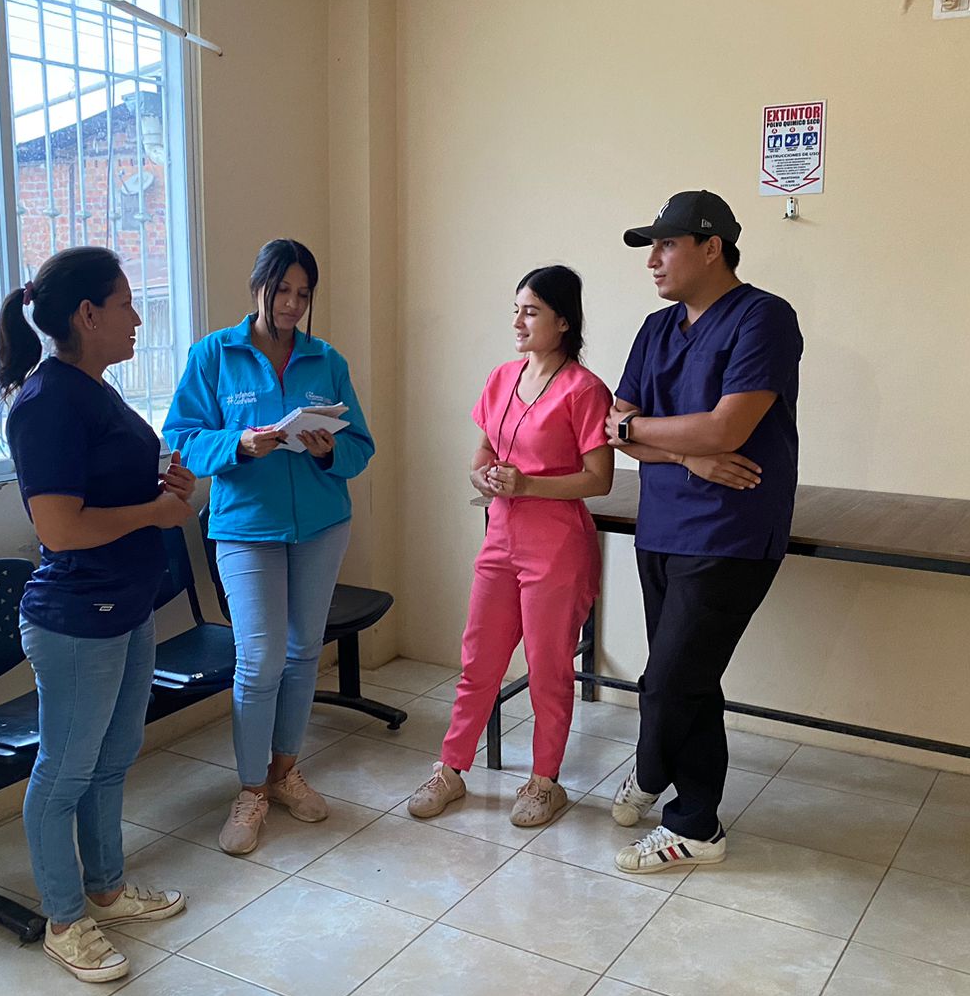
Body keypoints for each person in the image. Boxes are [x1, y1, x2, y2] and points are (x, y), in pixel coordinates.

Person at [0, 245, 192, 982]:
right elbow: (60, 527)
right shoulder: (45, 403)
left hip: (128, 605)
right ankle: (65, 920)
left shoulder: (95, 390)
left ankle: (106, 888)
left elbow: (109, 489)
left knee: (113, 759)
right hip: (76, 619)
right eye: (125, 304)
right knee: (64, 773)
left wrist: (165, 489)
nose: (137, 318)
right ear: (87, 315)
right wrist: (154, 513)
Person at [602, 190, 803, 874]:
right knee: (689, 678)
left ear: (712, 247)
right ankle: (682, 800)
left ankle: (670, 796)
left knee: (670, 681)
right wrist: (687, 456)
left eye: (666, 245)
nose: (653, 261)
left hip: (731, 530)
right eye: (651, 248)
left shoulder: (763, 318)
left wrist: (645, 431)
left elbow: (726, 427)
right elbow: (614, 427)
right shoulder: (656, 329)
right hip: (661, 525)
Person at [163, 239, 375, 856]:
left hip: (322, 526)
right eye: (282, 290)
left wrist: (328, 451)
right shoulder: (214, 354)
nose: (291, 303)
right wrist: (239, 444)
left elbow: (361, 447)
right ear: (258, 287)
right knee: (259, 661)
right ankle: (251, 789)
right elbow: (182, 439)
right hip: (244, 529)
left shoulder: (325, 359)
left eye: (303, 294)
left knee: (304, 651)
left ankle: (285, 772)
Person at [408, 266, 613, 827]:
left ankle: (544, 781)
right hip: (500, 537)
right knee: (479, 659)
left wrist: (529, 485)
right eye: (516, 310)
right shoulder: (502, 377)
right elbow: (482, 454)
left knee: (548, 668)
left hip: (556, 545)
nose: (518, 322)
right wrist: (484, 475)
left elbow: (599, 479)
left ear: (563, 321)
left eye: (531, 311)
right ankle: (451, 768)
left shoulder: (584, 390)